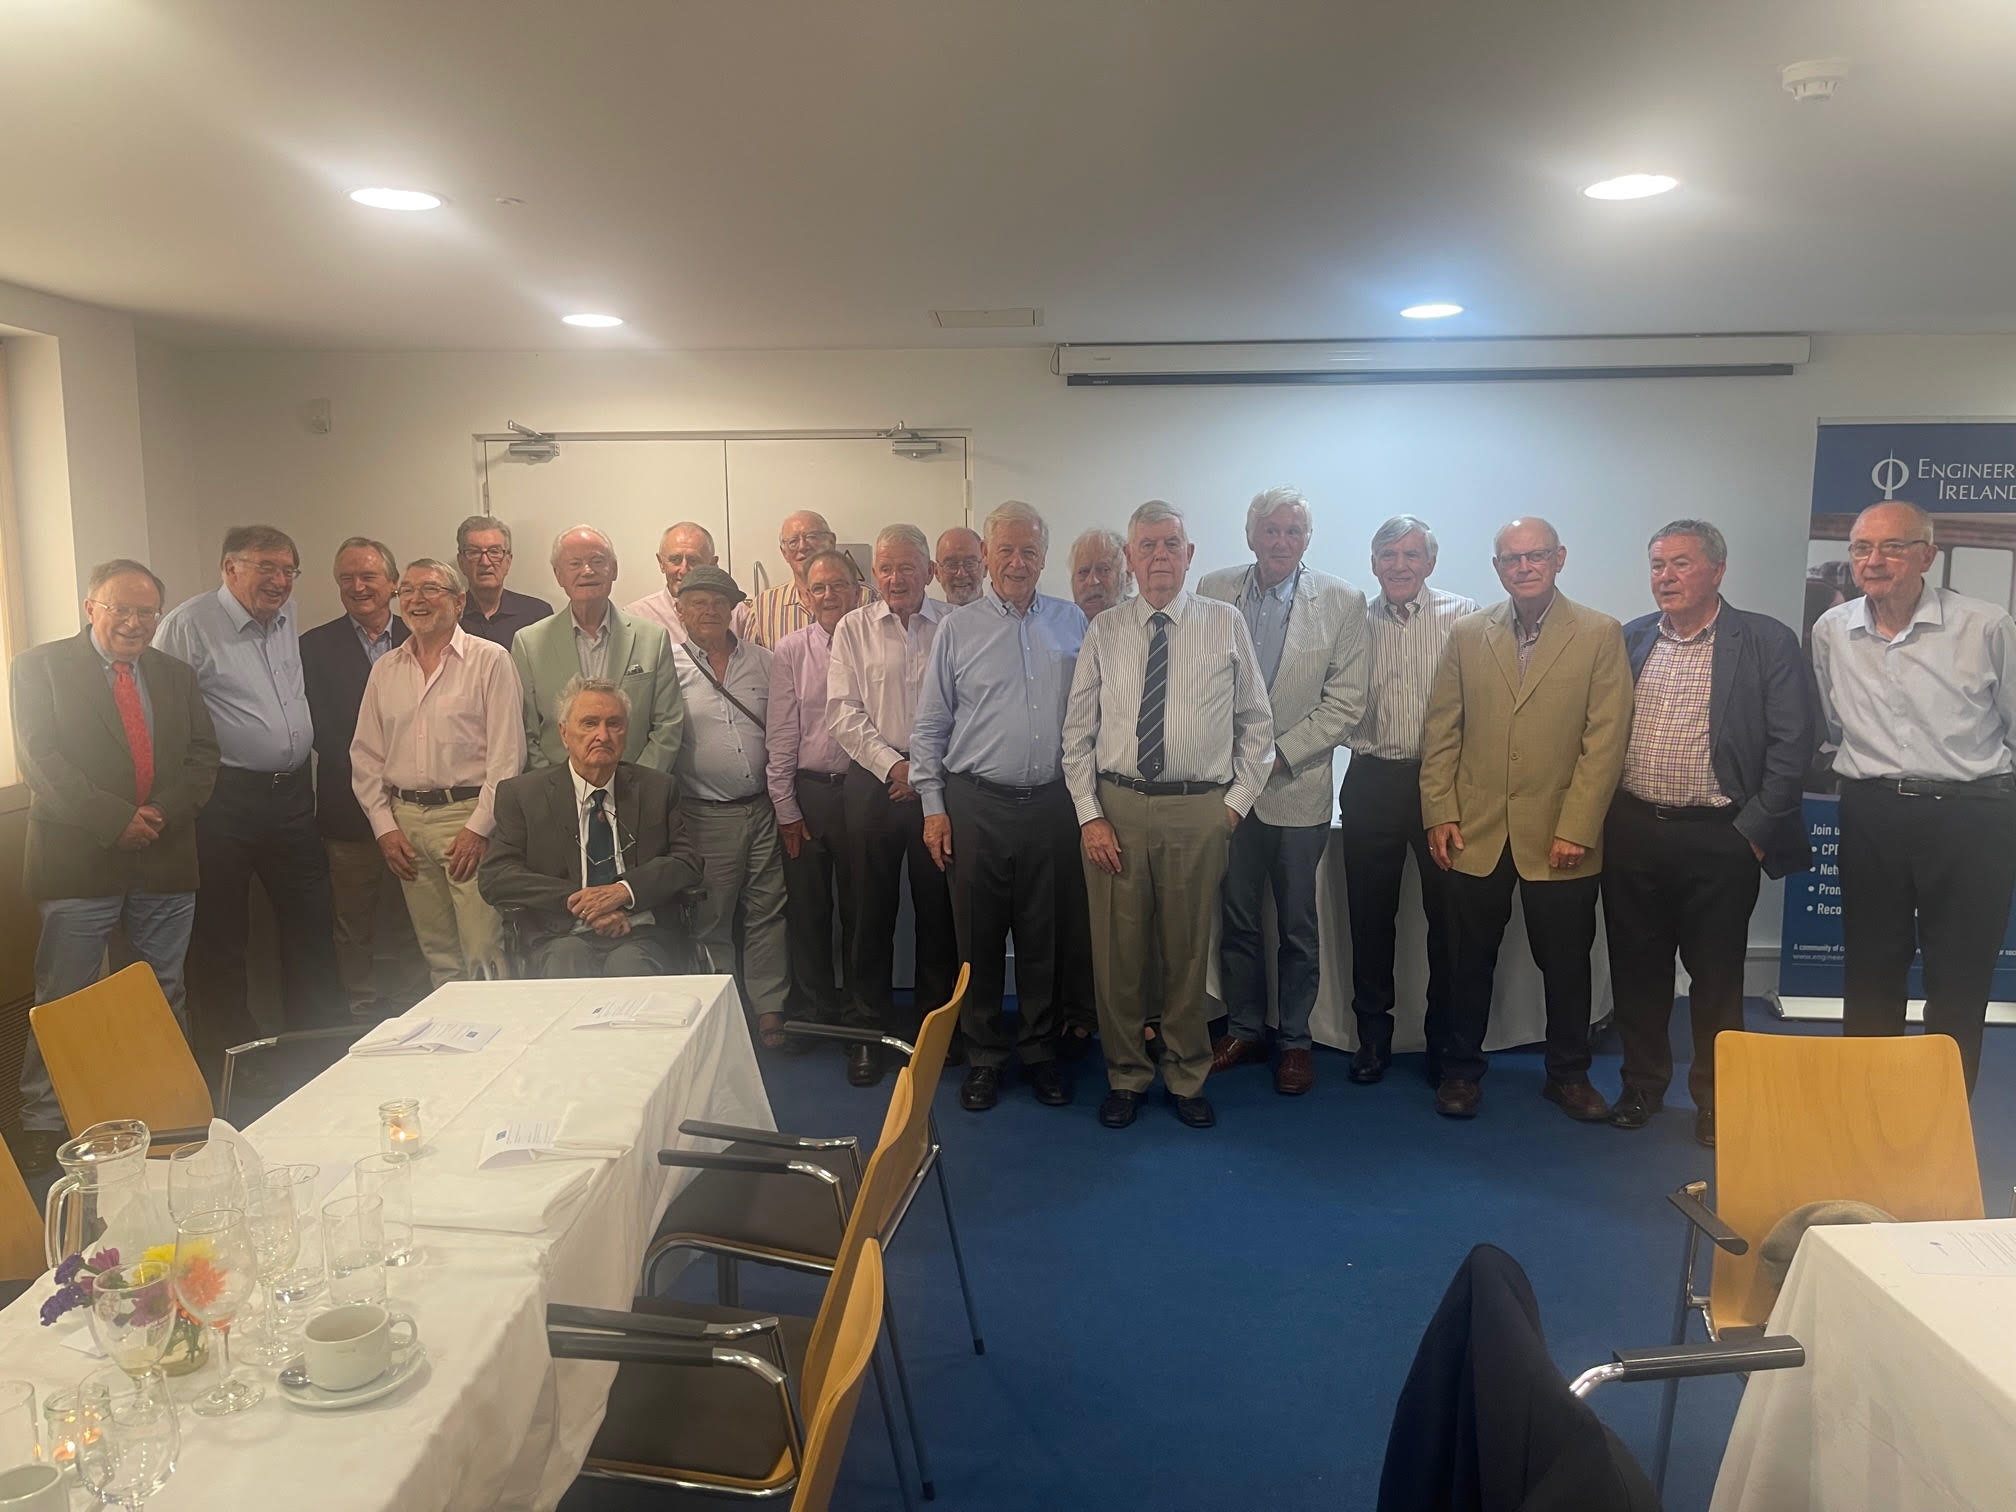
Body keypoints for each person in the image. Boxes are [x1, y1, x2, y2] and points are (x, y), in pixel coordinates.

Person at [1604, 520, 1816, 1147]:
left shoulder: (1765, 641)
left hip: (1722, 836)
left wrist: (1751, 833)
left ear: (1718, 571)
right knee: (1637, 972)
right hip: (1635, 829)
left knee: (1717, 978)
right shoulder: (1631, 639)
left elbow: (1792, 744)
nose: (1665, 577)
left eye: (1681, 564)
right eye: (1657, 565)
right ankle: (1641, 1088)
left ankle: (1717, 1101)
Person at [1063, 501, 1273, 1130]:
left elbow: (1256, 728)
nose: (1159, 556)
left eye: (1170, 544)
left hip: (1198, 810)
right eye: (1147, 546)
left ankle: (1187, 1073)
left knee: (1187, 953)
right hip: (1117, 809)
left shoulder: (1224, 622)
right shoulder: (1106, 631)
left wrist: (1230, 810)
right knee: (1118, 955)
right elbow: (1077, 734)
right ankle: (1126, 1074)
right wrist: (1089, 815)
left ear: (1190, 554)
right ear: (1130, 560)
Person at [8, 560, 219, 1174]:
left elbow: (204, 756)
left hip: (165, 853)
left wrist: (155, 813)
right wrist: (114, 819)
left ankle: (161, 1104)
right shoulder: (38, 667)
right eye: (119, 609)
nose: (133, 622)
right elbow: (40, 760)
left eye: (146, 611)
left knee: (162, 990)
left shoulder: (175, 674)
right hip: (79, 858)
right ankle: (44, 1121)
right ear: (89, 606)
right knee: (64, 995)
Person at [1419, 517, 1632, 1122]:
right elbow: (1442, 731)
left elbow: (1605, 740)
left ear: (1559, 558)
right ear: (1497, 568)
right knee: (1466, 962)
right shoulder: (1467, 634)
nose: (1524, 567)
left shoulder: (1598, 633)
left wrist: (1578, 826)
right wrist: (1440, 810)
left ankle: (1567, 1075)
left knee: (1566, 965)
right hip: (1475, 832)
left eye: (1535, 555)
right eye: (1511, 559)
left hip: (1561, 836)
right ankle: (1460, 1072)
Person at [1811, 500, 2016, 1094]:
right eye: (1860, 548)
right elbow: (1831, 721)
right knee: (1871, 972)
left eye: (1892, 547)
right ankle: (1869, 1109)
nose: (1873, 561)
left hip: (1972, 817)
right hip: (1872, 813)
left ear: (1928, 554)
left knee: (1959, 979)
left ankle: (1939, 1118)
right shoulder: (1833, 630)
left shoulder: (1986, 626)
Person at [913, 501, 1090, 1112]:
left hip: (1051, 803)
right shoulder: (956, 630)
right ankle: (985, 1054)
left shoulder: (1074, 625)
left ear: (1045, 557)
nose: (1018, 563)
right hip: (975, 803)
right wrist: (934, 807)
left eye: (1030, 552)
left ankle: (1039, 1050)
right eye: (1006, 551)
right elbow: (931, 726)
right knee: (978, 937)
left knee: (1043, 934)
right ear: (986, 557)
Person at [1199, 487, 1369, 1095]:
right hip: (1226, 796)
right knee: (1238, 920)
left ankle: (1295, 1041)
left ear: (1307, 539)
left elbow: (1346, 702)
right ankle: (1245, 1029)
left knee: (1297, 926)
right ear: (1251, 536)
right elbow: (1200, 688)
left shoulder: (1343, 602)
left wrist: (1274, 756)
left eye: (1292, 532)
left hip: (1299, 791)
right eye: (1270, 530)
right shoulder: (1213, 590)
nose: (1280, 541)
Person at [155, 524, 344, 1067]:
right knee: (221, 931)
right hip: (224, 799)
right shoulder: (188, 626)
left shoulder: (285, 620)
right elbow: (169, 722)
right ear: (230, 568)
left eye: (288, 569)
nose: (280, 580)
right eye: (266, 567)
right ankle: (232, 1057)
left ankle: (321, 1047)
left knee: (311, 919)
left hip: (290, 798)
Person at [1339, 515, 1477, 1086]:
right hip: (1370, 780)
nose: (1400, 565)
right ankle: (1373, 1039)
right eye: (1389, 555)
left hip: (1440, 784)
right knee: (1370, 920)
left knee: (1449, 922)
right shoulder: (1350, 621)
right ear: (1373, 563)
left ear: (1430, 563)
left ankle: (1446, 1046)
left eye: (1412, 555)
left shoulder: (1464, 617)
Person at [350, 560, 524, 985]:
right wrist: (384, 828)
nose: (416, 600)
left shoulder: (490, 661)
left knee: (484, 951)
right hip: (406, 825)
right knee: (439, 957)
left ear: (458, 601)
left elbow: (508, 757)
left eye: (429, 589)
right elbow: (366, 755)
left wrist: (480, 828)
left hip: (468, 818)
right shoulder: (385, 669)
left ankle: (500, 1046)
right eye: (406, 590)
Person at [827, 524, 957, 1087]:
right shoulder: (853, 628)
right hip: (873, 784)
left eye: (907, 567)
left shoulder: (956, 624)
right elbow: (843, 712)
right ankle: (867, 1036)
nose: (895, 578)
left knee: (938, 913)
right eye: (885, 569)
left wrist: (924, 773)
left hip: (940, 786)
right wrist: (894, 767)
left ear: (930, 571)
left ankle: (933, 1036)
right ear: (873, 575)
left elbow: (968, 707)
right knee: (867, 914)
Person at [479, 677, 704, 976]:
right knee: (567, 962)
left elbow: (687, 862)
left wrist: (624, 891)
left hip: (639, 931)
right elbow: (496, 876)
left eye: (614, 723)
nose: (603, 735)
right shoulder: (523, 795)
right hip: (561, 933)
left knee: (630, 966)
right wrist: (582, 901)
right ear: (564, 733)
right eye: (589, 723)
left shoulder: (657, 789)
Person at [301, 537, 425, 1016]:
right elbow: (323, 732)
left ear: (392, 584)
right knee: (353, 921)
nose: (358, 587)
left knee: (412, 918)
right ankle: (362, 1014)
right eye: (346, 578)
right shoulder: (312, 647)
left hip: (417, 810)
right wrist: (377, 779)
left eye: (369, 576)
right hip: (348, 814)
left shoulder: (422, 636)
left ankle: (411, 1009)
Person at [668, 566, 791, 1044]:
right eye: (697, 601)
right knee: (712, 918)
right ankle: (724, 1013)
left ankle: (770, 1009)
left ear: (733, 608)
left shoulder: (765, 661)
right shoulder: (669, 665)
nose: (709, 610)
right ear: (679, 610)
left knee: (768, 912)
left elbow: (783, 730)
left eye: (719, 601)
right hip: (704, 814)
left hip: (763, 809)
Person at [767, 550, 863, 1031]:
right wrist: (785, 806)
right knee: (807, 913)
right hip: (810, 795)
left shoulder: (872, 641)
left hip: (865, 794)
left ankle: (856, 1020)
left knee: (861, 912)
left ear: (856, 589)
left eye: (838, 585)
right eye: (818, 588)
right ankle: (814, 1012)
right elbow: (782, 732)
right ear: (804, 596)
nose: (828, 596)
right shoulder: (790, 651)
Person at [511, 525, 685, 772]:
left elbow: (668, 724)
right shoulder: (529, 644)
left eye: (597, 561)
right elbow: (526, 733)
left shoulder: (652, 638)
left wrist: (639, 785)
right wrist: (555, 789)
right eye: (575, 564)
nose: (587, 571)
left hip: (635, 788)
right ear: (558, 575)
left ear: (613, 570)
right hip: (558, 795)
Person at [743, 510, 839, 648]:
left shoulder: (865, 598)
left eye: (811, 537)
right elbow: (751, 665)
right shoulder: (764, 606)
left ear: (831, 542)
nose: (803, 546)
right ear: (784, 553)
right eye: (793, 542)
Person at [454, 515, 553, 647]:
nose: (485, 562)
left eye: (494, 552)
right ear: (461, 562)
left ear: (508, 561)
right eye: (474, 552)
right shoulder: (448, 615)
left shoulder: (537, 614)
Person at [624, 521, 720, 644]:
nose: (684, 570)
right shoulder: (636, 616)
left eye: (694, 561)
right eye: (675, 560)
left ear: (712, 564)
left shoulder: (736, 615)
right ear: (661, 563)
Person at [1069, 528, 1132, 620]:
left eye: (1104, 570)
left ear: (1127, 577)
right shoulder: (1061, 625)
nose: (1092, 581)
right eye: (1083, 572)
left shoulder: (1148, 622)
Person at [934, 526, 986, 607]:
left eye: (969, 564)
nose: (961, 574)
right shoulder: (927, 619)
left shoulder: (1006, 619)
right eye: (951, 565)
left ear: (985, 568)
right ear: (936, 572)